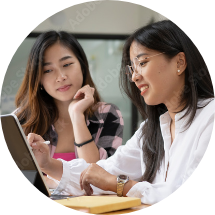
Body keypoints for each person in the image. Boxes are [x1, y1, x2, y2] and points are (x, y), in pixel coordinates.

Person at [27, 20, 215, 205]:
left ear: (180, 62)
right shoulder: (151, 128)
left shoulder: (210, 116)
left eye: (142, 62)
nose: (134, 76)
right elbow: (102, 172)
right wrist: (47, 164)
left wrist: (119, 185)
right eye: (132, 68)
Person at [14, 31, 124, 187]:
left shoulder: (108, 115)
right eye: (48, 70)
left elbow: (98, 180)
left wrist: (77, 115)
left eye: (66, 64)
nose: (61, 77)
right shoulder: (21, 120)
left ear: (82, 65)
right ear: (38, 79)